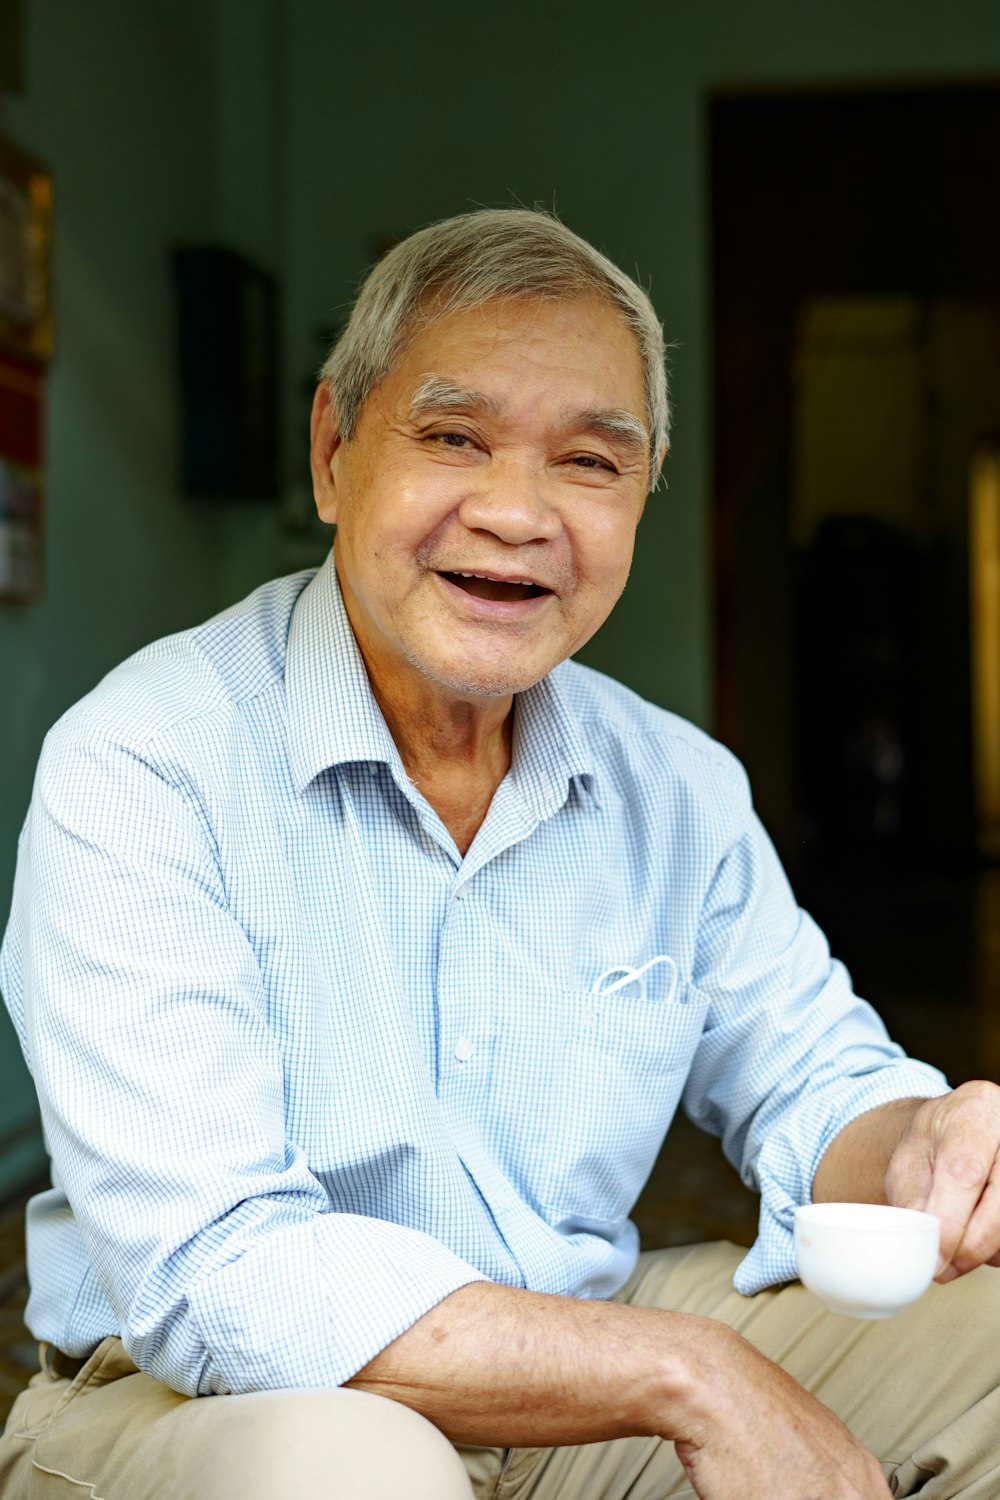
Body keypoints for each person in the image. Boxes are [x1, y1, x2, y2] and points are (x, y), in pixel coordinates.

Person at [0, 208, 998, 1500]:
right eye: (455, 436)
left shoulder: (675, 790)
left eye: (589, 461)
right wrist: (686, 1373)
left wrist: (925, 1138)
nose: (518, 514)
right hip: (204, 1403)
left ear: (641, 500)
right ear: (332, 453)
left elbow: (814, 1078)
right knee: (350, 1471)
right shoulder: (146, 764)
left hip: (566, 1381)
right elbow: (221, 1275)